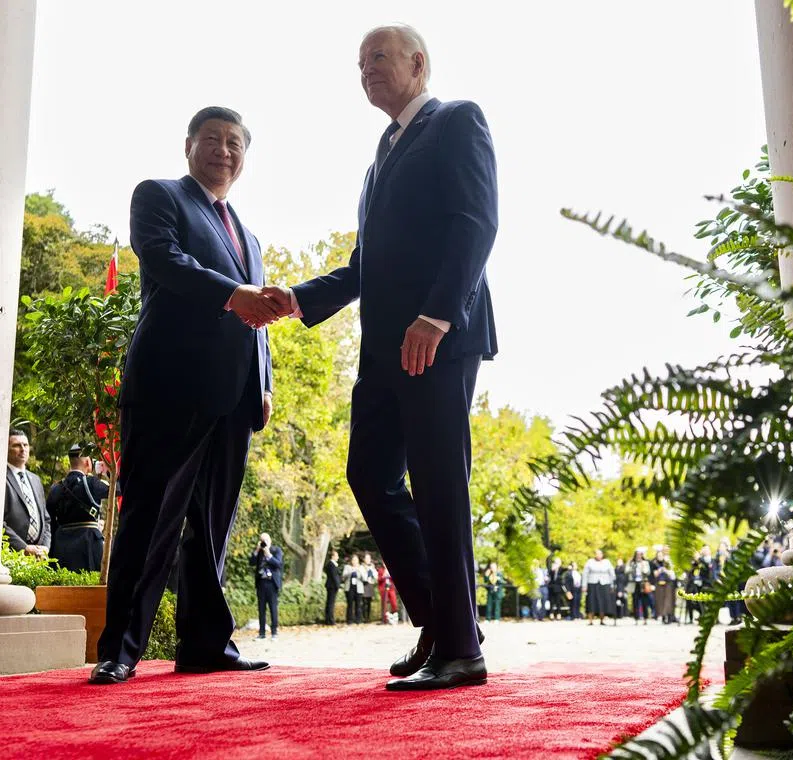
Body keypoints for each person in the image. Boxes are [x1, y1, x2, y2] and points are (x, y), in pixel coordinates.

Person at [266, 23, 498, 691]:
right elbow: (364, 265)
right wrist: (297, 298)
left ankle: (461, 651)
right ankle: (442, 620)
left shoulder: (456, 121)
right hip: (381, 350)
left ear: (419, 64)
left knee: (439, 486)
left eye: (378, 58)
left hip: (437, 339)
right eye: (359, 62)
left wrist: (437, 314)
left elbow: (476, 220)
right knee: (369, 474)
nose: (366, 69)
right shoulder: (380, 154)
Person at [90, 107, 281, 685]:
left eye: (235, 143)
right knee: (149, 517)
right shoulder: (159, 196)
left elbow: (259, 318)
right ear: (190, 145)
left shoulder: (247, 233)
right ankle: (119, 648)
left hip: (235, 398)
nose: (224, 151)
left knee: (211, 527)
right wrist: (235, 293)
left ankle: (204, 644)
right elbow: (167, 263)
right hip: (170, 387)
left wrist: (263, 381)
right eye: (213, 140)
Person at [46, 444, 110, 572]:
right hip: (89, 544)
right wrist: (107, 471)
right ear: (87, 462)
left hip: (62, 547)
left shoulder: (56, 488)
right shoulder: (91, 483)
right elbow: (119, 489)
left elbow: (51, 522)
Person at [3, 429, 50, 559]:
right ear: (6, 449)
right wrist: (23, 548)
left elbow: (46, 519)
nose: (23, 449)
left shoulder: (36, 480)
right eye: (17, 445)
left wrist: (45, 547)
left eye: (25, 445)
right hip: (12, 555)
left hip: (38, 555)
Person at [251, 533, 284, 640]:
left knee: (273, 608)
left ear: (270, 540)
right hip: (261, 583)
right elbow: (251, 562)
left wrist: (268, 554)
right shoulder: (259, 552)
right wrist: (256, 550)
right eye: (261, 540)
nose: (264, 542)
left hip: (272, 583)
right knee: (261, 609)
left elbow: (278, 564)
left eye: (265, 540)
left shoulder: (276, 550)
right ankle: (262, 633)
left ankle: (274, 633)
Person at [582, 549, 616, 626]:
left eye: (600, 554)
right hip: (592, 584)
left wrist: (612, 585)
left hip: (604, 584)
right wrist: (584, 585)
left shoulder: (607, 562)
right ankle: (590, 620)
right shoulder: (590, 562)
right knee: (591, 602)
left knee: (603, 602)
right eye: (597, 554)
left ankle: (602, 619)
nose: (598, 555)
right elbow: (585, 574)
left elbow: (612, 574)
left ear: (602, 555)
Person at [629, 549, 653, 624]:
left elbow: (648, 572)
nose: (639, 556)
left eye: (640, 555)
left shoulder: (645, 563)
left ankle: (645, 619)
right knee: (635, 602)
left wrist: (642, 566)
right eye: (637, 555)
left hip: (643, 584)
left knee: (644, 602)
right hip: (635, 584)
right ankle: (636, 618)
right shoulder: (632, 563)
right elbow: (627, 571)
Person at [343, 554, 364, 624]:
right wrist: (351, 571)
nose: (354, 561)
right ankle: (349, 620)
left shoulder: (361, 567)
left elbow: (365, 578)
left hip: (358, 588)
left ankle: (358, 620)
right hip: (349, 588)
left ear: (358, 561)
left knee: (358, 605)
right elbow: (344, 576)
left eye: (356, 560)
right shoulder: (347, 567)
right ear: (351, 561)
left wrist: (359, 571)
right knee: (350, 605)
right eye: (353, 560)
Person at [324, 549, 342, 625]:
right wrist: (338, 586)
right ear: (333, 556)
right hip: (332, 586)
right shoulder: (331, 565)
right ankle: (330, 620)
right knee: (331, 603)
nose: (338, 557)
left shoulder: (330, 564)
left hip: (330, 585)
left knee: (329, 602)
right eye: (337, 555)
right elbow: (334, 577)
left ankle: (328, 619)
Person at [360, 552, 378, 622]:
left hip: (370, 585)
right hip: (364, 584)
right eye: (366, 558)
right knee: (364, 602)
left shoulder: (372, 566)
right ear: (364, 559)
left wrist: (372, 572)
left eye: (369, 558)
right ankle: (364, 617)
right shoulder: (362, 566)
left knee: (369, 602)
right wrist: (367, 573)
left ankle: (368, 617)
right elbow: (363, 576)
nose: (368, 560)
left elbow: (376, 576)